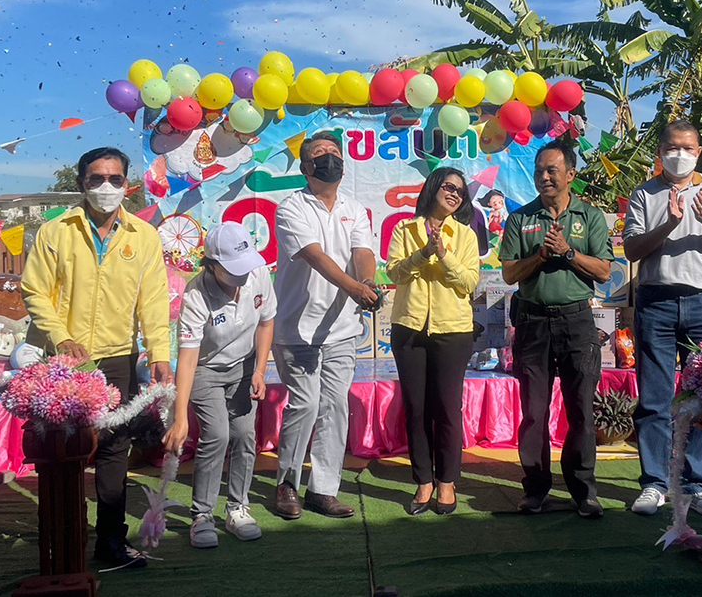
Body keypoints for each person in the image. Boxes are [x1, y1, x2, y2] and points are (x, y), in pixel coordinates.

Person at [21, 147, 173, 569]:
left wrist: (159, 352)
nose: (107, 187)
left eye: (115, 179)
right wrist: (62, 338)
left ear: (127, 184)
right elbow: (35, 291)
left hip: (118, 357)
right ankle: (59, 540)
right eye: (96, 179)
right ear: (81, 184)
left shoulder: (144, 236)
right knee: (60, 448)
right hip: (62, 361)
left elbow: (153, 300)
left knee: (113, 449)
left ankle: (110, 541)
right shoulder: (56, 232)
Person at [622, 120, 702, 517]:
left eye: (688, 148)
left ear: (698, 152)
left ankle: (697, 484)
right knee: (654, 398)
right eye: (672, 148)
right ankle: (655, 484)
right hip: (656, 301)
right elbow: (632, 250)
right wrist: (669, 224)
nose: (680, 155)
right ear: (660, 152)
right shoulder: (645, 193)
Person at [500, 140, 613, 519]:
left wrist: (567, 252)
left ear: (570, 175)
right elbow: (510, 273)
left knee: (580, 408)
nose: (544, 177)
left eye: (552, 170)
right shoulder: (520, 219)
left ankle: (583, 491)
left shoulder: (590, 217)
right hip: (532, 322)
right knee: (534, 412)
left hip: (577, 322)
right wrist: (540, 256)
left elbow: (603, 271)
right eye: (539, 171)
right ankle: (535, 489)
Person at [272, 131, 379, 520]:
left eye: (335, 153)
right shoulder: (291, 208)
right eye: (320, 153)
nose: (329, 158)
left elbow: (363, 252)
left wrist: (367, 282)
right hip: (297, 328)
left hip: (341, 329)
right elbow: (315, 256)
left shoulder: (355, 208)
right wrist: (354, 288)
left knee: (335, 406)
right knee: (305, 404)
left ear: (343, 166)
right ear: (306, 167)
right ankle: (287, 484)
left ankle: (323, 489)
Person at [162, 222, 276, 547]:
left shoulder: (259, 275)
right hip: (205, 370)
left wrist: (260, 370)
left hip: (245, 367)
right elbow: (187, 358)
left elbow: (266, 323)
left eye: (245, 265)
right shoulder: (196, 295)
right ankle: (202, 515)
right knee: (217, 435)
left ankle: (238, 508)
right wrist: (180, 416)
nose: (243, 274)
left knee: (244, 435)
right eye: (233, 268)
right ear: (211, 265)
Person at [386, 167, 480, 515]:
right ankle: (424, 480)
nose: (454, 194)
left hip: (453, 331)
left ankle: (447, 481)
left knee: (447, 408)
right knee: (416, 408)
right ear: (433, 188)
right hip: (409, 329)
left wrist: (443, 254)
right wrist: (422, 254)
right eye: (448, 187)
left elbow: (468, 283)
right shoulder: (404, 229)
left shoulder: (465, 235)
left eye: (460, 191)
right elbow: (394, 272)